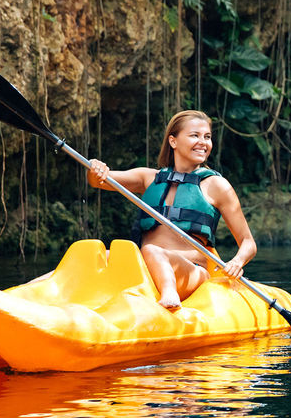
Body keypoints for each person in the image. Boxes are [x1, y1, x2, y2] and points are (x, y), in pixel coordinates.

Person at [85, 110, 256, 309]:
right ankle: (42, 289)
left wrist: (237, 261)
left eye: (207, 137)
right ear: (173, 141)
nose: (203, 142)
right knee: (95, 254)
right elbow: (99, 182)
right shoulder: (149, 178)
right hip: (145, 265)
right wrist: (96, 169)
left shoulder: (217, 185)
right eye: (195, 135)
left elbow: (248, 242)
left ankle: (169, 295)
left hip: (191, 270)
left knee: (153, 251)